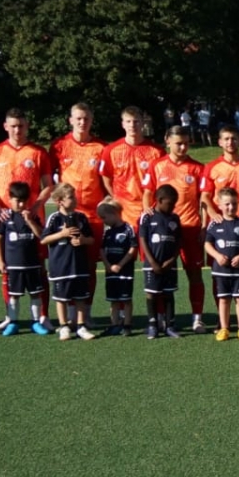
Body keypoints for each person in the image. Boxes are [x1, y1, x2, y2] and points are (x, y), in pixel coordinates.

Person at [51, 103, 112, 326]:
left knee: (89, 266)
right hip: (67, 216)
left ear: (91, 121)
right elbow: (49, 178)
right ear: (70, 120)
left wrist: (107, 202)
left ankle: (86, 311)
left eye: (86, 118)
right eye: (78, 118)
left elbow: (108, 181)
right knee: (68, 264)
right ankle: (69, 313)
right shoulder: (59, 146)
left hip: (93, 217)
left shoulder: (101, 147)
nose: (82, 122)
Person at [146, 129, 208, 332]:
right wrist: (148, 214)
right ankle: (162, 318)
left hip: (190, 227)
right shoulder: (157, 166)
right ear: (167, 141)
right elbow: (147, 193)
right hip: (164, 231)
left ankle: (197, 318)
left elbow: (204, 200)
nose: (183, 147)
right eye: (178, 143)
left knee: (195, 274)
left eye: (186, 143)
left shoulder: (197, 168)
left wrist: (204, 226)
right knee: (160, 273)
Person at [40, 184, 96, 341]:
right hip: (60, 266)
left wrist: (83, 240)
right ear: (60, 201)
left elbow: (91, 239)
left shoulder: (81, 217)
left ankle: (81, 326)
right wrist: (62, 234)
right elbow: (44, 239)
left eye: (74, 196)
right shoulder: (54, 218)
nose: (75, 200)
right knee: (61, 298)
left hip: (79, 265)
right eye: (71, 197)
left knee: (80, 297)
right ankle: (63, 326)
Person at [0, 181, 50, 337]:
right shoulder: (5, 217)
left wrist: (30, 221)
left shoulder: (32, 216)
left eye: (24, 201)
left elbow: (41, 235)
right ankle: (13, 322)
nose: (20, 204)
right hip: (14, 265)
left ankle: (36, 322)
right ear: (10, 199)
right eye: (17, 200)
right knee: (14, 295)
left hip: (32, 264)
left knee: (35, 294)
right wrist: (1, 261)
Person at [205, 187, 239, 341]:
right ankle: (224, 328)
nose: (231, 207)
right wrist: (217, 256)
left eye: (234, 203)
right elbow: (207, 244)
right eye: (227, 204)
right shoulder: (214, 224)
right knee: (224, 299)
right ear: (219, 205)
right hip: (221, 270)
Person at [105, 107, 162, 234]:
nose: (132, 125)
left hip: (149, 208)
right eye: (128, 121)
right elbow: (106, 178)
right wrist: (116, 198)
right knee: (125, 245)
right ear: (123, 124)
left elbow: (161, 181)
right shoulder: (111, 150)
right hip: (123, 210)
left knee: (147, 245)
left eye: (136, 121)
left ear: (142, 123)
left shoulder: (157, 151)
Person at [140, 183, 184, 339]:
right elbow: (143, 240)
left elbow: (179, 241)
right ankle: (153, 325)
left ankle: (170, 325)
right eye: (170, 204)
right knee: (151, 294)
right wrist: (152, 262)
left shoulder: (174, 218)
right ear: (159, 200)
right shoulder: (147, 216)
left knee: (168, 293)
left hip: (169, 265)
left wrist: (172, 260)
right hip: (152, 264)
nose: (173, 207)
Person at [202, 125, 239, 223]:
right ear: (220, 142)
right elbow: (205, 196)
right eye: (226, 139)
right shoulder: (211, 167)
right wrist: (213, 215)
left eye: (234, 139)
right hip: (220, 223)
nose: (230, 142)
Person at [98, 200, 137, 336]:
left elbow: (133, 248)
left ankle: (127, 325)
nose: (103, 221)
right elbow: (102, 249)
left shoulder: (128, 228)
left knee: (126, 299)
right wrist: (107, 265)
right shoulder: (107, 232)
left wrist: (120, 265)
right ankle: (114, 324)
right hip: (110, 271)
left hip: (124, 271)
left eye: (104, 217)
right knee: (113, 300)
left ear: (114, 214)